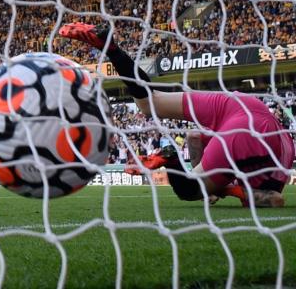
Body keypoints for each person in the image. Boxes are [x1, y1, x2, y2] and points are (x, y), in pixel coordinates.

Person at [60, 22, 294, 207]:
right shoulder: (264, 158)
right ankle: (112, 50)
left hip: (240, 107)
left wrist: (223, 188)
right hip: (251, 118)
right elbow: (196, 139)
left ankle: (114, 50)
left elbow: (275, 199)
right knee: (188, 171)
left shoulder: (239, 148)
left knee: (153, 105)